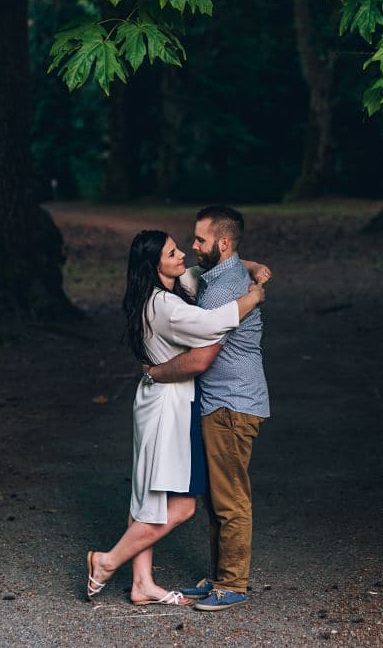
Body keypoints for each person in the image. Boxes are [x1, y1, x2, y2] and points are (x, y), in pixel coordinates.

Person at [86, 230, 267, 605]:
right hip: (168, 405)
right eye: (173, 252)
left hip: (163, 399)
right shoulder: (162, 304)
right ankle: (106, 561)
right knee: (181, 506)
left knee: (147, 498)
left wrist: (249, 266)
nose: (183, 254)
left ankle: (142, 585)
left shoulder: (172, 284)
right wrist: (253, 296)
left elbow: (206, 272)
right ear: (156, 265)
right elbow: (210, 325)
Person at [144, 206, 270, 611]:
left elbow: (200, 358)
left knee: (230, 497)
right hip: (224, 404)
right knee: (219, 497)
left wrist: (157, 372)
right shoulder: (223, 275)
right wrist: (253, 267)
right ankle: (219, 578)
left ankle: (232, 584)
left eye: (200, 240)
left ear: (223, 243)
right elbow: (199, 274)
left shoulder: (220, 291)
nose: (193, 246)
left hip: (231, 406)